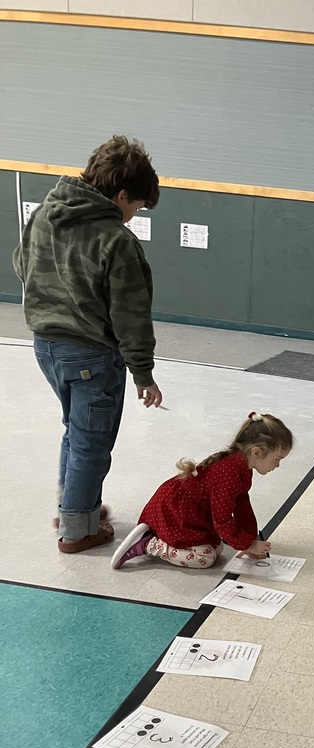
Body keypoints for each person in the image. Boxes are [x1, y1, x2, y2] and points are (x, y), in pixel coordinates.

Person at [13, 135, 163, 554]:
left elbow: (21, 265)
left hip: (46, 348)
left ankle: (74, 508)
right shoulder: (115, 240)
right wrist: (143, 373)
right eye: (134, 206)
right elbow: (131, 314)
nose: (132, 217)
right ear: (120, 195)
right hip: (92, 356)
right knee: (91, 443)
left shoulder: (44, 214)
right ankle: (78, 532)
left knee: (76, 433)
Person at [111, 413, 293, 570]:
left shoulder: (241, 466)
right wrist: (248, 544)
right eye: (277, 459)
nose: (277, 466)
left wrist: (247, 541)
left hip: (191, 511)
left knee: (217, 548)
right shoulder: (229, 473)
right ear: (256, 452)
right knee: (205, 558)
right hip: (175, 512)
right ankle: (147, 543)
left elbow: (241, 505)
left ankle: (155, 539)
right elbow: (222, 519)